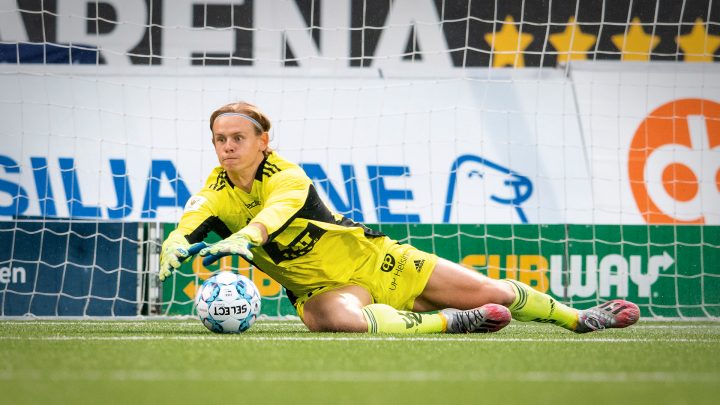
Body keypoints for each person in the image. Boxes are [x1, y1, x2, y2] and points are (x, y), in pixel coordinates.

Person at [159, 101, 640, 334]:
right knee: (335, 322)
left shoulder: (288, 176)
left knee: (496, 292)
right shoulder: (215, 192)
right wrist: (175, 242)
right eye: (219, 139)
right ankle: (453, 323)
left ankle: (579, 318)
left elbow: (279, 212)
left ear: (264, 141)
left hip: (379, 261)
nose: (227, 147)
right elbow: (193, 217)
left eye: (237, 137)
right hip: (324, 291)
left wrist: (249, 236)